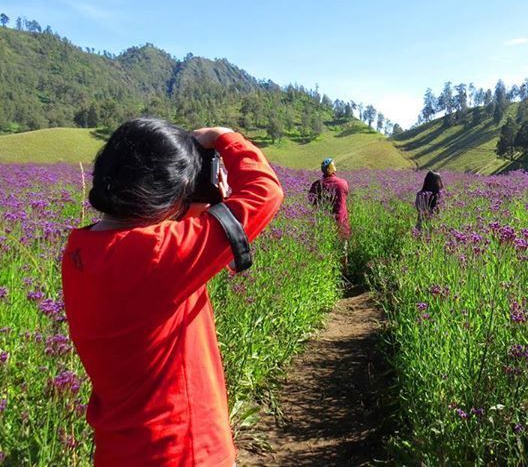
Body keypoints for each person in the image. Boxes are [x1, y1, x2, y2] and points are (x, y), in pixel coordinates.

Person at [61, 118, 283, 466]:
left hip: (119, 450)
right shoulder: (158, 256)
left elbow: (145, 251)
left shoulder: (80, 252)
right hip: (182, 450)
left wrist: (189, 207)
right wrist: (224, 137)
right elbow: (265, 193)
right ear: (177, 188)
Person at [308, 158, 350, 240]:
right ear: (331, 168)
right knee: (342, 247)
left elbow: (311, 200)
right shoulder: (342, 183)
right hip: (341, 221)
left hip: (323, 223)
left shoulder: (316, 184)